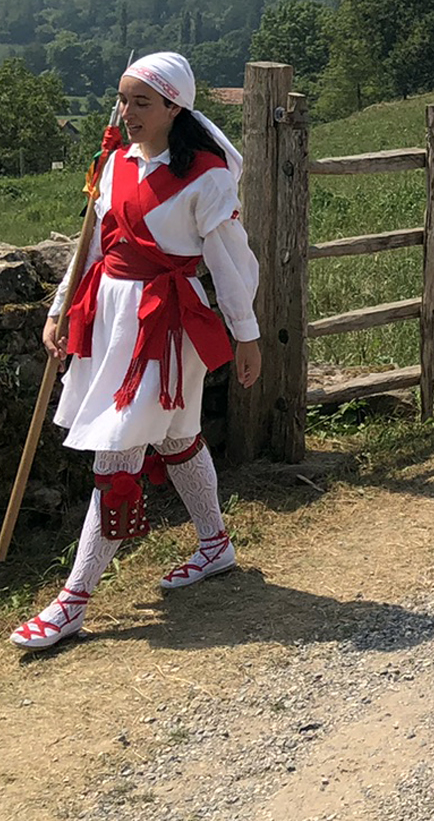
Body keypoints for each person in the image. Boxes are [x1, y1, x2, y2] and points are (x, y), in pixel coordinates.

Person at [13, 53, 261, 650]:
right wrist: (58, 310)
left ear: (176, 106)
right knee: (175, 438)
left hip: (165, 327)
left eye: (141, 102)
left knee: (116, 452)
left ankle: (73, 600)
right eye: (122, 100)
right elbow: (91, 249)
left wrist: (246, 333)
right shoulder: (115, 164)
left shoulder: (206, 176)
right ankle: (216, 545)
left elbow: (230, 263)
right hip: (109, 321)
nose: (127, 113)